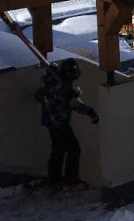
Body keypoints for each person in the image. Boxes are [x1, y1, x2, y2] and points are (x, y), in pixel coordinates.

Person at [35, 58, 98, 188]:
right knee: (71, 149)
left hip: (55, 122)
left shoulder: (56, 82)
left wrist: (88, 111)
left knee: (60, 150)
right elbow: (70, 103)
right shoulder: (58, 87)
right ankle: (67, 180)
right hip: (58, 123)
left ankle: (58, 179)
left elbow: (69, 101)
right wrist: (89, 111)